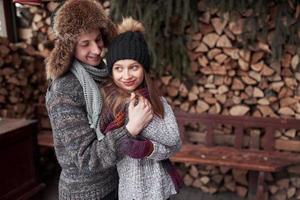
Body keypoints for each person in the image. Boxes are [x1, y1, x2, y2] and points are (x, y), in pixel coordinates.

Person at [45, 1, 153, 199]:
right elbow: (87, 159)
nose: (96, 50)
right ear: (69, 47)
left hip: (118, 181)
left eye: (98, 39)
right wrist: (131, 130)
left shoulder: (106, 73)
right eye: (85, 44)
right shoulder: (64, 90)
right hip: (86, 193)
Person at [100, 17, 182, 200]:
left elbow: (174, 142)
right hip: (131, 191)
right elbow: (108, 148)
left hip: (159, 188)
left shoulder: (158, 102)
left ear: (144, 69)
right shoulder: (110, 106)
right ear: (111, 72)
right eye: (119, 68)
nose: (126, 75)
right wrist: (133, 121)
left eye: (134, 67)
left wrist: (149, 148)